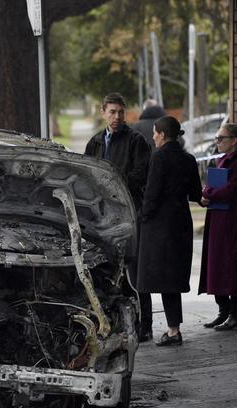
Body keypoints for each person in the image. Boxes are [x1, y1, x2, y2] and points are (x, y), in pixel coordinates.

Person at [85, 93, 153, 341]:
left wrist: (112, 184)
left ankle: (145, 325)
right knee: (104, 270)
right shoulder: (95, 142)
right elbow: (87, 176)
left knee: (135, 272)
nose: (117, 117)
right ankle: (110, 324)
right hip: (101, 215)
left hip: (129, 211)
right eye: (112, 112)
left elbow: (140, 174)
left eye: (120, 112)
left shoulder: (136, 141)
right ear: (103, 112)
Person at [137, 116, 202, 346]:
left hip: (159, 227)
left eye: (155, 133)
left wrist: (142, 216)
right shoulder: (189, 159)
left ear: (163, 135)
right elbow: (196, 194)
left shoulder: (159, 158)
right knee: (172, 280)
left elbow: (152, 195)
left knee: (152, 278)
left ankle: (166, 330)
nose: (153, 136)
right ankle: (174, 329)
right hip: (181, 223)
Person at [199, 123, 237, 331]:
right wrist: (206, 193)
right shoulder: (222, 160)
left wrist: (209, 195)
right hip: (218, 219)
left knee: (233, 267)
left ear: (234, 141)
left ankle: (236, 314)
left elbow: (232, 190)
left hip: (234, 222)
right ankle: (223, 311)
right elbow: (213, 185)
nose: (217, 142)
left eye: (221, 138)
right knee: (216, 266)